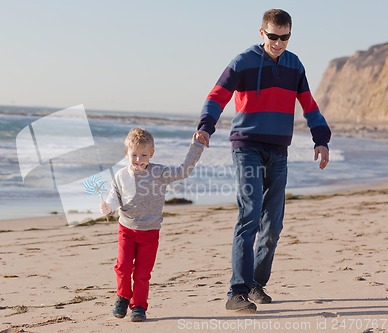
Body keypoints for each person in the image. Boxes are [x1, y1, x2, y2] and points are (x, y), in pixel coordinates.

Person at [194, 8, 331, 313]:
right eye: (273, 36)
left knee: (273, 225)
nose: (279, 42)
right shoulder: (243, 62)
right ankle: (237, 292)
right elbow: (217, 96)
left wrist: (321, 139)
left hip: (278, 151)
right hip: (247, 147)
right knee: (250, 215)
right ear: (262, 33)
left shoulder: (295, 66)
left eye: (285, 37)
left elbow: (309, 106)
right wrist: (206, 127)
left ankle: (256, 284)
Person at [101, 128, 204, 321]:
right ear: (126, 154)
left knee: (142, 273)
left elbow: (183, 171)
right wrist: (109, 207)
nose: (138, 159)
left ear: (152, 154)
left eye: (143, 155)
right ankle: (123, 297)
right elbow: (114, 196)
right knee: (123, 267)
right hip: (127, 229)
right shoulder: (121, 175)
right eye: (134, 155)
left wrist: (197, 145)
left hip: (150, 232)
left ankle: (139, 306)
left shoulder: (159, 172)